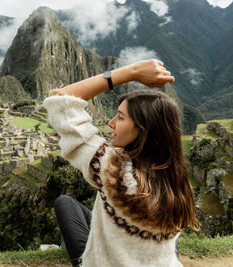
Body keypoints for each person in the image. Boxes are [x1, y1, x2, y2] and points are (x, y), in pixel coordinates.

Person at [43, 59, 199, 267]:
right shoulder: (178, 183)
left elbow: (60, 101)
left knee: (64, 203)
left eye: (121, 117)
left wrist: (130, 72)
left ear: (142, 130)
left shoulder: (114, 171)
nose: (111, 123)